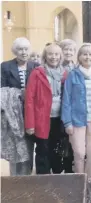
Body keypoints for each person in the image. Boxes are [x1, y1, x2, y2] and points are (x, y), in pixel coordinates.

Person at [61, 43, 91, 191]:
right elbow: (66, 99)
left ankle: (88, 181)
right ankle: (79, 181)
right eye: (84, 54)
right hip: (76, 121)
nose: (87, 57)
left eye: (90, 54)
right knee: (79, 152)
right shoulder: (72, 75)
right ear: (79, 57)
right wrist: (67, 122)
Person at [25, 43, 69, 175]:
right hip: (42, 118)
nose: (53, 57)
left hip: (59, 117)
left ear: (60, 56)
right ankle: (43, 179)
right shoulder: (37, 73)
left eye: (56, 54)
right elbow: (29, 100)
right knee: (42, 149)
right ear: (45, 56)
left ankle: (56, 177)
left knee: (57, 148)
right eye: (50, 54)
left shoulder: (65, 74)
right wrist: (30, 124)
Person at [1, 37, 39, 175]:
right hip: (13, 114)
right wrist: (19, 93)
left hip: (31, 113)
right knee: (16, 146)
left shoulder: (35, 66)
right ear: (14, 51)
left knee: (29, 146)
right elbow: (2, 90)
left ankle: (27, 178)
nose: (23, 52)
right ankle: (15, 179)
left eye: (26, 49)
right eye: (20, 49)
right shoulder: (5, 66)